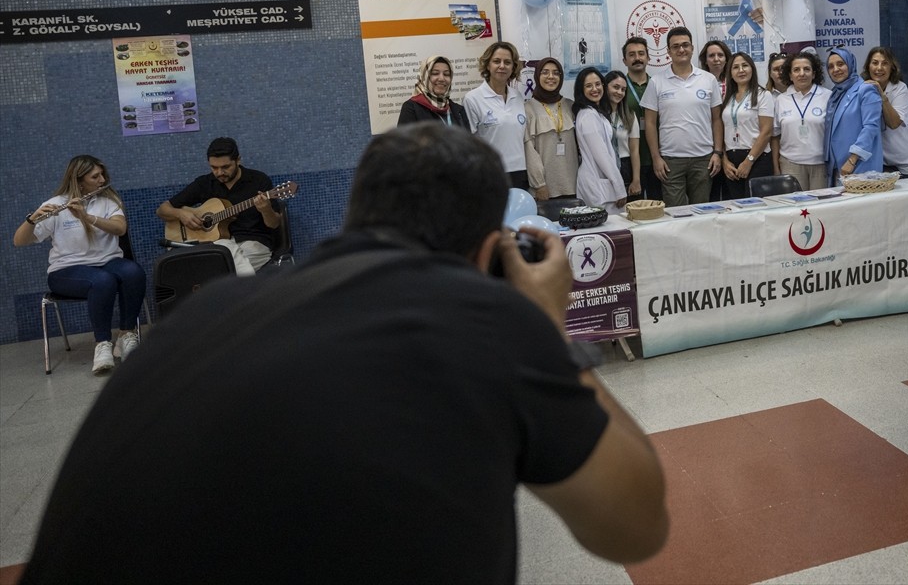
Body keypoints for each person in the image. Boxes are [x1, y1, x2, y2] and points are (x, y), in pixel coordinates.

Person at [19, 124, 669, 583]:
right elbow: (638, 530)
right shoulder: (488, 323)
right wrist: (545, 328)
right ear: (486, 248)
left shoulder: (203, 313)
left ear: (358, 214)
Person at [14, 155, 146, 375]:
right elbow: (19, 241)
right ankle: (103, 344)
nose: (102, 180)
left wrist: (86, 217)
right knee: (103, 281)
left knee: (133, 272)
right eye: (95, 176)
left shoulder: (108, 201)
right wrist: (32, 219)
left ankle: (126, 335)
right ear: (79, 180)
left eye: (102, 174)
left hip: (107, 262)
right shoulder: (56, 204)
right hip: (67, 271)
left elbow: (119, 228)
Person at [157, 137, 281, 276]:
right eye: (214, 168)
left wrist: (265, 210)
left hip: (253, 243)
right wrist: (181, 214)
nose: (219, 172)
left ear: (238, 160)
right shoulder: (205, 183)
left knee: (219, 270)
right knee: (218, 258)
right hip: (214, 244)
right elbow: (162, 209)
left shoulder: (259, 180)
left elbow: (274, 224)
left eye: (225, 167)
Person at [642, 27, 724, 207]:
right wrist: (656, 157)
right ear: (668, 51)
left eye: (685, 45)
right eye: (676, 46)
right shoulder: (657, 81)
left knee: (701, 212)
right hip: (670, 161)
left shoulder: (708, 79)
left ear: (692, 48)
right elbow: (649, 123)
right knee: (675, 215)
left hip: (703, 159)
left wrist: (717, 153)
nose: (681, 50)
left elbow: (717, 119)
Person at [465, 41, 528, 190]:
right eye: (496, 61)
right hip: (491, 174)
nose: (502, 66)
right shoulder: (473, 98)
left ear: (513, 67)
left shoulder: (518, 96)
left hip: (520, 172)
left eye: (507, 62)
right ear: (487, 65)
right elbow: (470, 144)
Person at [824, 47, 883, 185]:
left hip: (859, 165)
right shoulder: (836, 94)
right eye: (831, 66)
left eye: (840, 64)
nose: (836, 69)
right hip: (838, 166)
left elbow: (871, 127)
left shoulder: (866, 89)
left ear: (850, 64)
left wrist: (852, 160)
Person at [573, 67, 628, 214]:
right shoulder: (588, 116)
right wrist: (619, 187)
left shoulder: (596, 113)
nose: (595, 89)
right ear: (581, 90)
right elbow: (601, 155)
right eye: (588, 86)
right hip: (597, 184)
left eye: (598, 84)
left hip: (602, 183)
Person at [721, 52, 775, 198]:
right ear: (730, 73)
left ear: (752, 69)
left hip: (757, 159)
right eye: (735, 67)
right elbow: (722, 131)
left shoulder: (763, 95)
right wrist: (724, 161)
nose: (741, 70)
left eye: (745, 65)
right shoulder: (727, 99)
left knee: (756, 210)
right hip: (731, 162)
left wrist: (748, 161)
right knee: (735, 208)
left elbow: (766, 132)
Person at [774, 50, 831, 191]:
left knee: (820, 207)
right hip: (790, 163)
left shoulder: (828, 96)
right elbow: (774, 135)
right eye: (796, 70)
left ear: (814, 73)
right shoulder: (781, 100)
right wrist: (776, 166)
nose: (802, 73)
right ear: (790, 75)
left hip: (821, 164)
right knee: (796, 210)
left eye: (807, 69)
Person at [523, 57, 578, 201]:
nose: (551, 77)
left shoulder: (570, 106)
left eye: (555, 73)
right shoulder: (528, 109)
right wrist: (539, 184)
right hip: (545, 190)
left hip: (574, 185)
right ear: (537, 76)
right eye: (545, 72)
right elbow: (529, 151)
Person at [862, 46, 908, 176]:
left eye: (885, 63)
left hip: (903, 163)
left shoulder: (900, 88)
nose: (879, 68)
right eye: (875, 63)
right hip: (878, 163)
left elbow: (894, 123)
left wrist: (882, 96)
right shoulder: (863, 89)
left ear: (892, 68)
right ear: (868, 67)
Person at [622, 36, 661, 200]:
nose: (637, 58)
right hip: (629, 160)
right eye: (631, 55)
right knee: (633, 209)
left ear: (648, 58)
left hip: (658, 158)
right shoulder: (619, 87)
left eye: (641, 54)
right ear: (624, 60)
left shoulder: (659, 85)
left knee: (659, 207)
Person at [397, 54, 469, 128]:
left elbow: (468, 138)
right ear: (424, 76)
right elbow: (404, 139)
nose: (441, 78)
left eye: (446, 74)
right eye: (435, 73)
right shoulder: (411, 108)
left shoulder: (459, 110)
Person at [701, 40, 732, 199]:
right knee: (710, 195)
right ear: (705, 60)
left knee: (730, 195)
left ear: (727, 58)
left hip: (732, 145)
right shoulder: (699, 82)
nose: (716, 59)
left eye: (720, 55)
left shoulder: (735, 82)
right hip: (707, 148)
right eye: (711, 55)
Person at [604, 70, 642, 198]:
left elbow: (635, 151)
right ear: (605, 87)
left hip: (625, 166)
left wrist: (636, 180)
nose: (619, 92)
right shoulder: (596, 115)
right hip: (605, 166)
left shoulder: (630, 116)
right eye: (615, 87)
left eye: (623, 89)